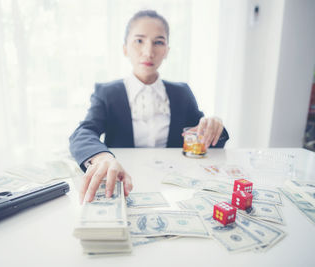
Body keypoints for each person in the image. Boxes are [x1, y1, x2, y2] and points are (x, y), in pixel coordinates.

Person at [69, 10, 229, 203]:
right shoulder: (107, 93)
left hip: (172, 191)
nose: (148, 51)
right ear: (125, 49)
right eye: (139, 41)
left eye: (158, 42)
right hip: (123, 183)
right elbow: (83, 132)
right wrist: (103, 158)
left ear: (167, 50)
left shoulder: (182, 93)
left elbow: (206, 139)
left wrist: (214, 125)